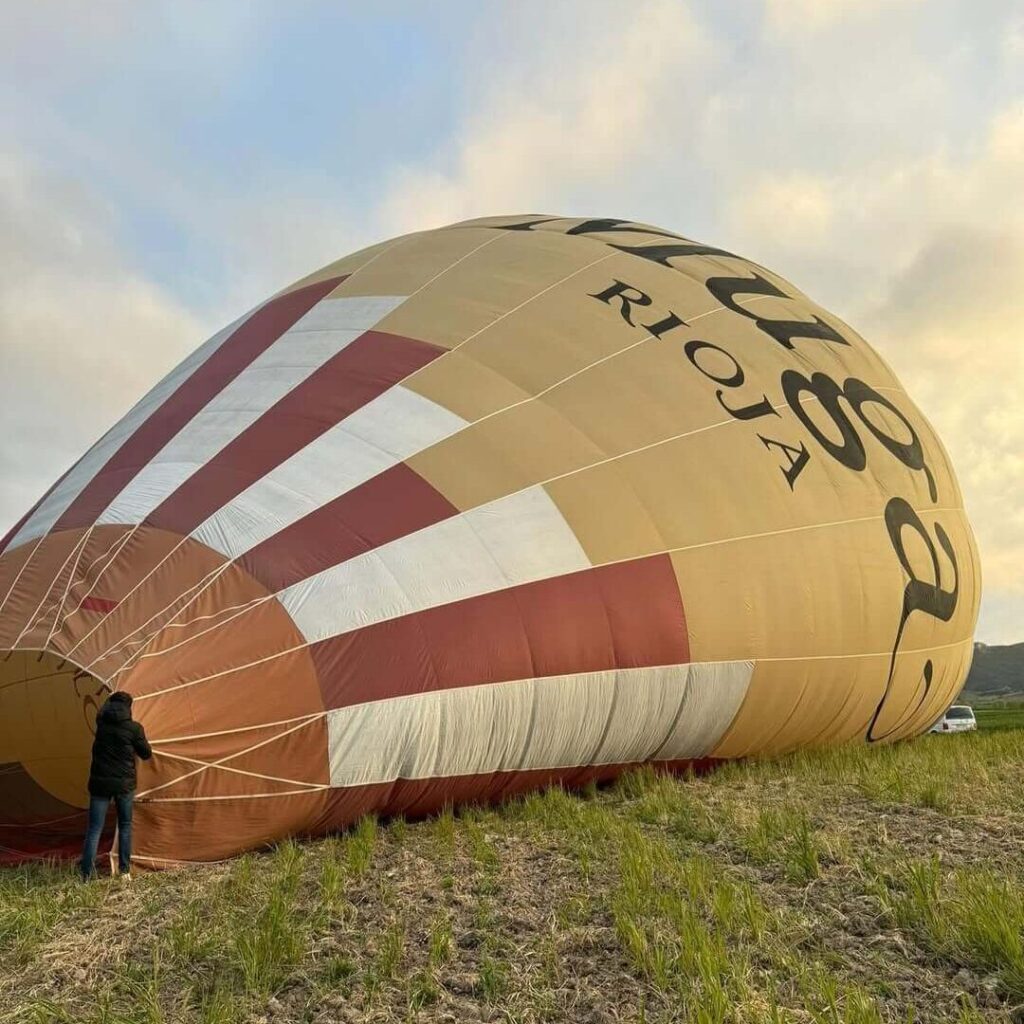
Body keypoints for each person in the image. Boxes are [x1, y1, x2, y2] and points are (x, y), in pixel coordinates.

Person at [80, 691, 152, 881]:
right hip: (124, 785)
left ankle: (86, 875)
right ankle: (124, 871)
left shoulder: (101, 725)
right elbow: (146, 754)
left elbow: (101, 713)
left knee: (94, 829)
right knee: (125, 826)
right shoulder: (134, 729)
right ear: (129, 707)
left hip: (99, 784)